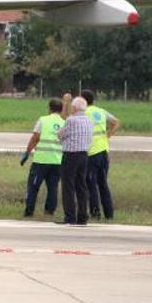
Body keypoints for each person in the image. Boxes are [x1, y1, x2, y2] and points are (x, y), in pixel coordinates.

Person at [20, 95, 70, 217]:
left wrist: (27, 152)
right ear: (61, 109)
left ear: (49, 108)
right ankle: (49, 212)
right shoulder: (65, 123)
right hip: (57, 161)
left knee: (33, 187)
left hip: (41, 160)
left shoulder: (43, 120)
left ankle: (29, 211)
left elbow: (35, 138)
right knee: (53, 188)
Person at [82, 90, 120, 220]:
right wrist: (107, 136)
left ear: (83, 100)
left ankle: (95, 212)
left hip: (92, 152)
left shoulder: (84, 113)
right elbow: (115, 122)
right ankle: (109, 214)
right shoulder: (101, 111)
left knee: (91, 183)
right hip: (104, 151)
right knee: (103, 184)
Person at [56, 96, 93, 225]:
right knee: (81, 185)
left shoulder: (71, 120)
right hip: (84, 155)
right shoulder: (89, 120)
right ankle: (83, 216)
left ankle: (70, 216)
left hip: (71, 154)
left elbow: (60, 135)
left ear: (75, 108)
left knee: (68, 186)